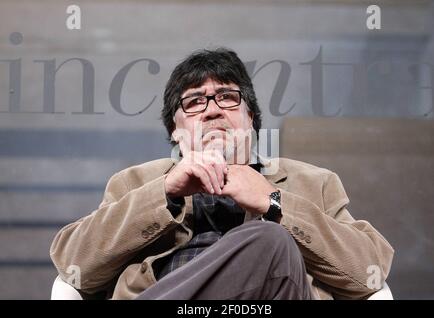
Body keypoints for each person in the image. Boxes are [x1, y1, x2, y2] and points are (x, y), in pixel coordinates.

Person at [50, 48, 394, 300]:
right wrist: (166, 192)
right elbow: (72, 265)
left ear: (251, 119)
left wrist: (273, 203)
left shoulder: (315, 182)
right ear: (175, 130)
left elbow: (369, 273)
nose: (213, 109)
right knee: (270, 243)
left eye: (227, 97)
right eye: (194, 102)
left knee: (271, 242)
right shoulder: (134, 183)